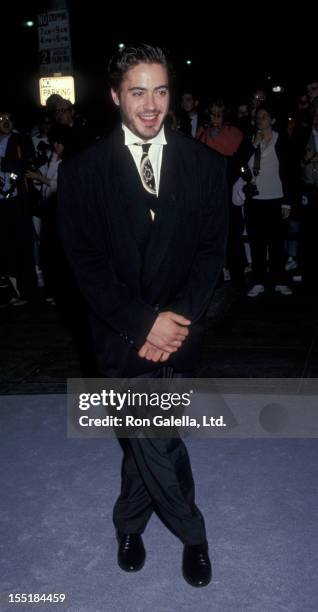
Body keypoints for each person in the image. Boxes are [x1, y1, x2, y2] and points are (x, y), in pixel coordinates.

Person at [57, 44, 227, 588]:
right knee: (156, 437)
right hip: (120, 336)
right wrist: (142, 323)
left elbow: (211, 253)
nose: (150, 105)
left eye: (160, 91)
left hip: (181, 333)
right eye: (137, 91)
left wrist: (174, 319)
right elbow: (85, 267)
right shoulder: (82, 173)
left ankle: (129, 524)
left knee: (146, 440)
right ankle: (194, 536)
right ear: (115, 96)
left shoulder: (204, 164)